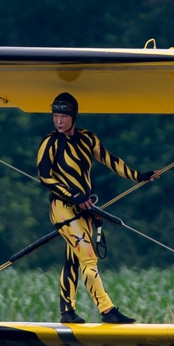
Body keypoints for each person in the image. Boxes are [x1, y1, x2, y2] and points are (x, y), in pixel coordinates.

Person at [36, 92, 154, 324]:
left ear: (73, 116)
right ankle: (107, 310)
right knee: (89, 259)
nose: (58, 121)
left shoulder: (88, 139)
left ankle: (66, 311)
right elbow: (45, 178)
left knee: (72, 259)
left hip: (84, 209)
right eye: (55, 116)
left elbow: (111, 160)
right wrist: (73, 195)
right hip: (62, 209)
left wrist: (138, 176)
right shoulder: (49, 143)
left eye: (63, 116)